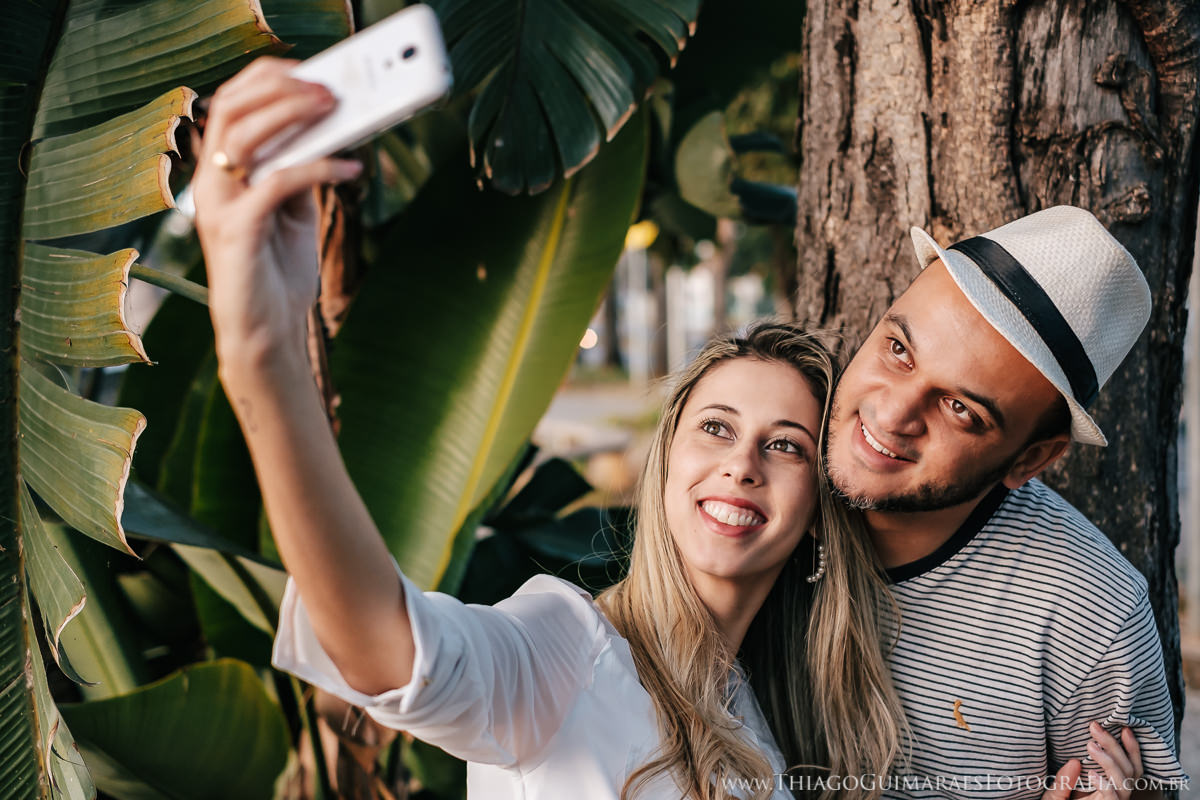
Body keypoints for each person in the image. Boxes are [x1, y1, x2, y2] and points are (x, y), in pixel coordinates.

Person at [191, 58, 1144, 799]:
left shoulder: (758, 733)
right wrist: (260, 357)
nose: (741, 467)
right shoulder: (565, 652)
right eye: (716, 428)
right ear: (663, 461)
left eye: (784, 446)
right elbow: (384, 645)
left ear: (819, 508)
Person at [823, 206, 1190, 798]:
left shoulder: (1090, 614)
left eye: (961, 409)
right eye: (897, 348)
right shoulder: (771, 485)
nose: (890, 416)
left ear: (1031, 460)